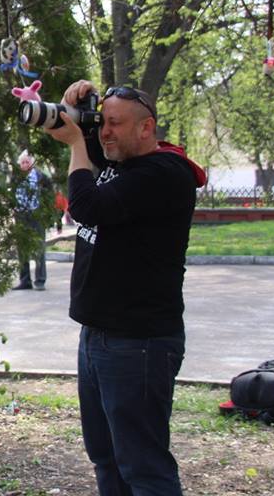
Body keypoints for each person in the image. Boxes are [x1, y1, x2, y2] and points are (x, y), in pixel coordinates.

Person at [44, 80, 206, 496]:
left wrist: (78, 143)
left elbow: (85, 207)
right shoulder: (122, 161)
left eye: (115, 124)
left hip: (140, 344)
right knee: (106, 458)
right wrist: (70, 112)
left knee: (144, 468)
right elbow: (87, 145)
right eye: (102, 123)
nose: (105, 133)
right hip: (97, 336)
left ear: (146, 127)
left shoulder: (164, 174)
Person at [13, 150, 50, 290]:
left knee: (39, 248)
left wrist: (45, 211)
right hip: (21, 215)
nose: (25, 164)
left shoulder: (41, 177)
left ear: (32, 162)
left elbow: (49, 195)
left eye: (27, 161)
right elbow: (11, 194)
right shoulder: (16, 177)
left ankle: (40, 280)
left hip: (36, 215)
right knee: (22, 249)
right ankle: (25, 280)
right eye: (22, 162)